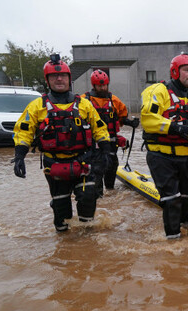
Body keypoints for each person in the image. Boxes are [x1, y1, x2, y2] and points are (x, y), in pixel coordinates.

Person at [12, 54, 111, 232]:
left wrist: (106, 151)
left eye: (63, 76)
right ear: (47, 80)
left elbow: (99, 128)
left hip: (82, 160)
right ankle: (64, 242)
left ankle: (87, 242)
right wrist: (19, 156)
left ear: (69, 79)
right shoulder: (36, 106)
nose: (59, 79)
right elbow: (23, 131)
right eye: (54, 76)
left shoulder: (85, 105)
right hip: (55, 164)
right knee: (61, 211)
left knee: (89, 198)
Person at [140, 52, 188, 239]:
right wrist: (176, 127)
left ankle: (178, 227)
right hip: (161, 156)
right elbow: (148, 119)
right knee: (172, 201)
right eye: (186, 70)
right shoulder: (158, 91)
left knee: (187, 199)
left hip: (185, 157)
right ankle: (174, 245)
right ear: (174, 71)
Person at [82, 69, 138, 196]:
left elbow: (121, 118)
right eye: (100, 85)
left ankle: (110, 197)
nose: (102, 87)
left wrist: (130, 123)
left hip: (111, 144)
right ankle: (98, 198)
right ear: (94, 85)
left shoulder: (114, 100)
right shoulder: (84, 101)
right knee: (96, 174)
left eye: (104, 85)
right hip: (92, 147)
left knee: (111, 171)